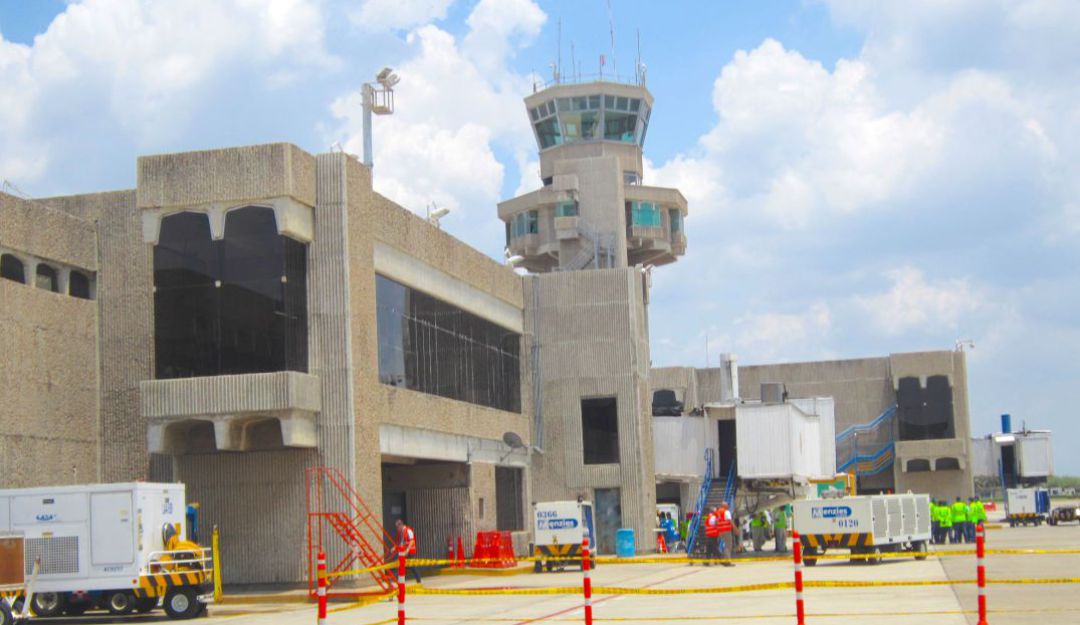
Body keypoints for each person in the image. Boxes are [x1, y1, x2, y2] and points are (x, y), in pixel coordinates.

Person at [394, 518, 422, 583]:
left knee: (412, 566)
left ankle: (419, 580)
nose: (397, 529)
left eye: (397, 527)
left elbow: (412, 541)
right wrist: (395, 547)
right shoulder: (401, 532)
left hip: (410, 552)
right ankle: (400, 579)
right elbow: (402, 542)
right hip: (405, 552)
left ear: (401, 525)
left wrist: (407, 550)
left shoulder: (408, 531)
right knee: (401, 564)